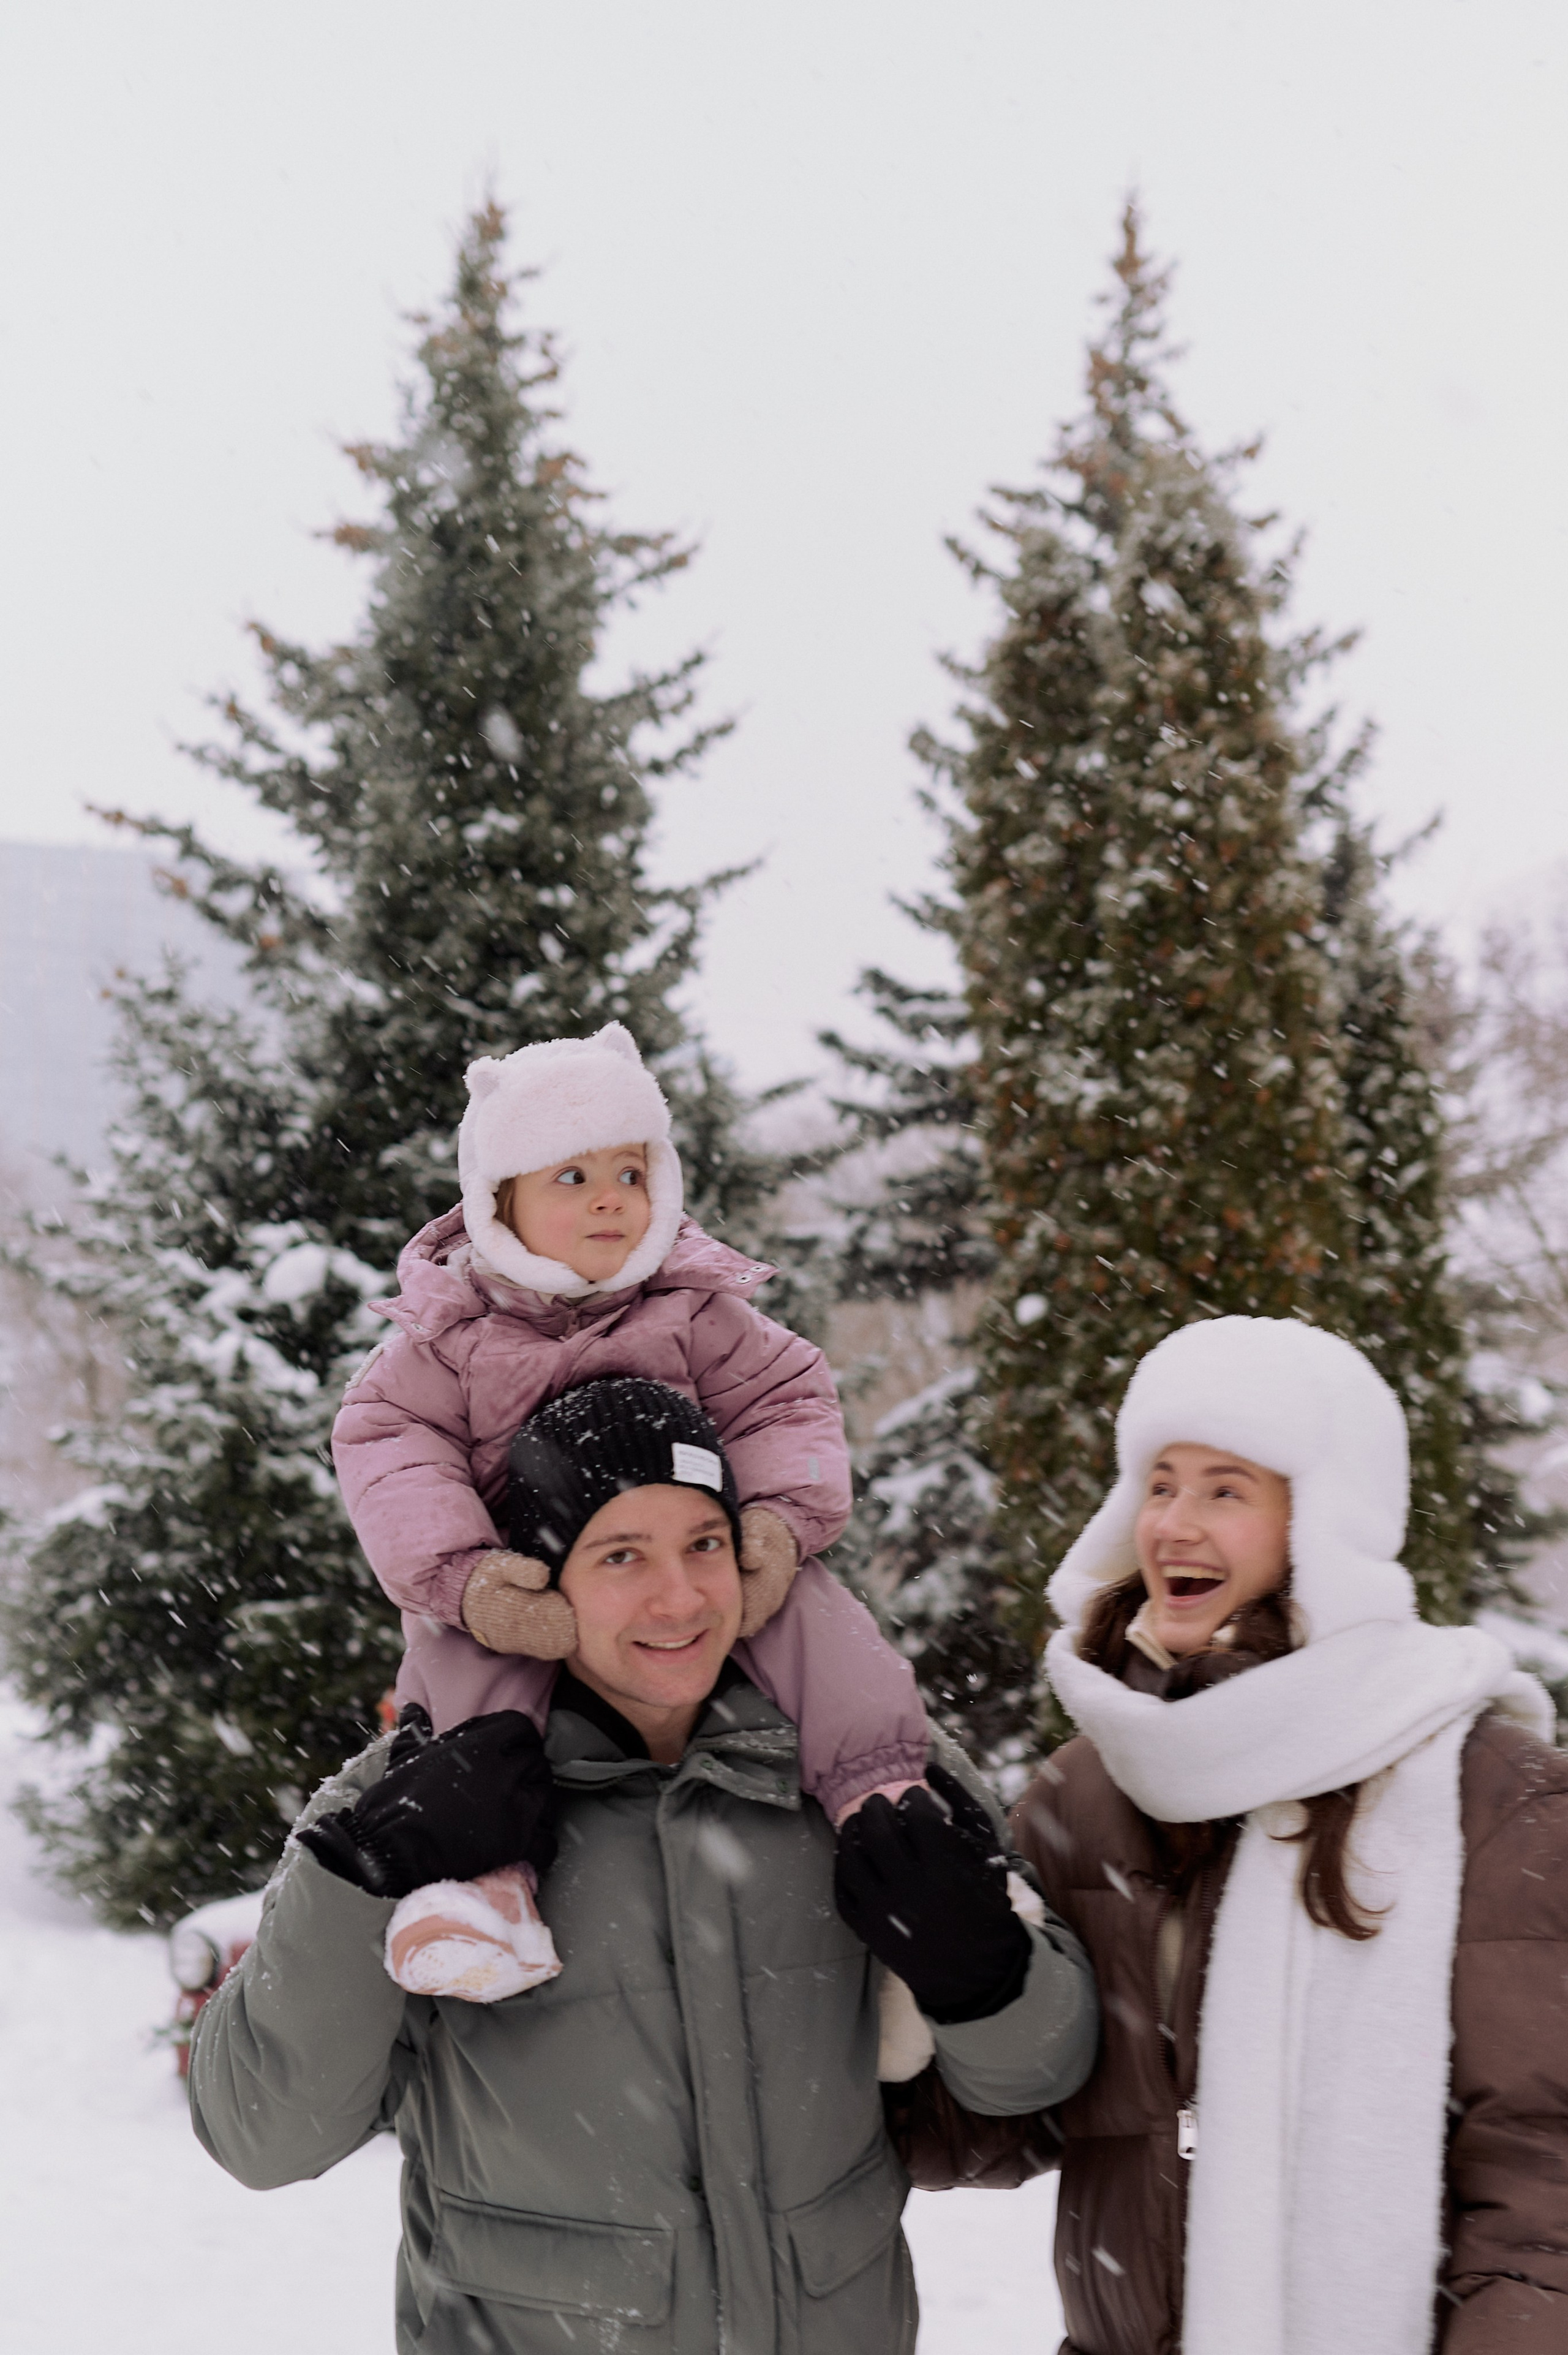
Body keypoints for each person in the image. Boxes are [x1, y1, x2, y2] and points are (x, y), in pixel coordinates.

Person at [190, 1382, 1099, 2355]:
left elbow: (1041, 2080)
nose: (681, 1598)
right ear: (541, 1581)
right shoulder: (416, 1795)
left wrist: (982, 1970)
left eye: (705, 1545)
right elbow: (262, 2135)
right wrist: (363, 1875)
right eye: (622, 1555)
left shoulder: (867, 1770)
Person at [332, 1021, 929, 1998]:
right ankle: (487, 1886)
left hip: (687, 1567)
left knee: (823, 1626)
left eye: (630, 1170)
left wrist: (775, 1528)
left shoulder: (692, 1308)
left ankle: (889, 1808)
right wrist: (468, 1581)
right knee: (468, 1688)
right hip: (520, 1582)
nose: (611, 1197)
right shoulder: (449, 1335)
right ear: (498, 1203)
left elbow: (789, 1400)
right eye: (571, 1178)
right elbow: (388, 1447)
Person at [1011, 1314, 1568, 2355]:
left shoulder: (1492, 1796)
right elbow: (991, 2137)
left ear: (1324, 1522)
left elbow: (1543, 2177)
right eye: (1161, 1483)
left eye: (1226, 1489)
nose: (1175, 1523)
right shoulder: (1084, 1793)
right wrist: (963, 1981)